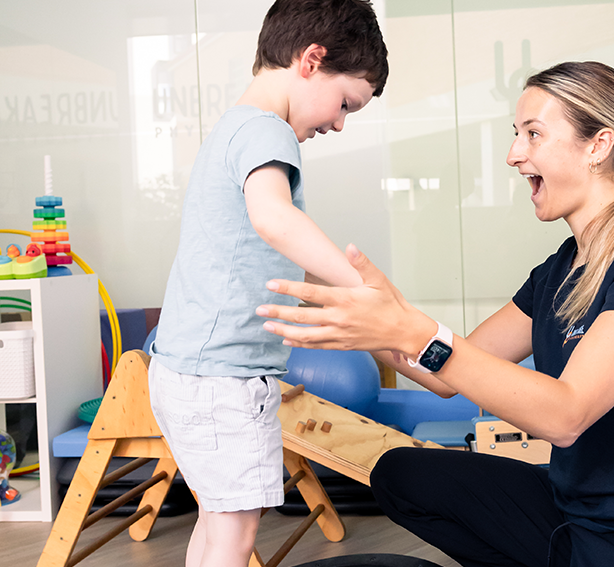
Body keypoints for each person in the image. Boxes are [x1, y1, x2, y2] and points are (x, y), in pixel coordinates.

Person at [255, 61, 614, 567]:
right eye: (516, 135)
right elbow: (446, 374)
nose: (515, 155)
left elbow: (566, 415)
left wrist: (415, 331)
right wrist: (368, 311)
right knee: (402, 476)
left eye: (533, 134)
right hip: (580, 518)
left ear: (598, 146)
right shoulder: (557, 270)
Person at [147, 2, 387, 566]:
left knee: (216, 525)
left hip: (186, 370)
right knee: (235, 538)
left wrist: (349, 307)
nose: (339, 123)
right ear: (311, 61)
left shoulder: (234, 128)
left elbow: (266, 249)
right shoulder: (266, 131)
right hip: (223, 379)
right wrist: (367, 286)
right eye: (346, 103)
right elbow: (274, 220)